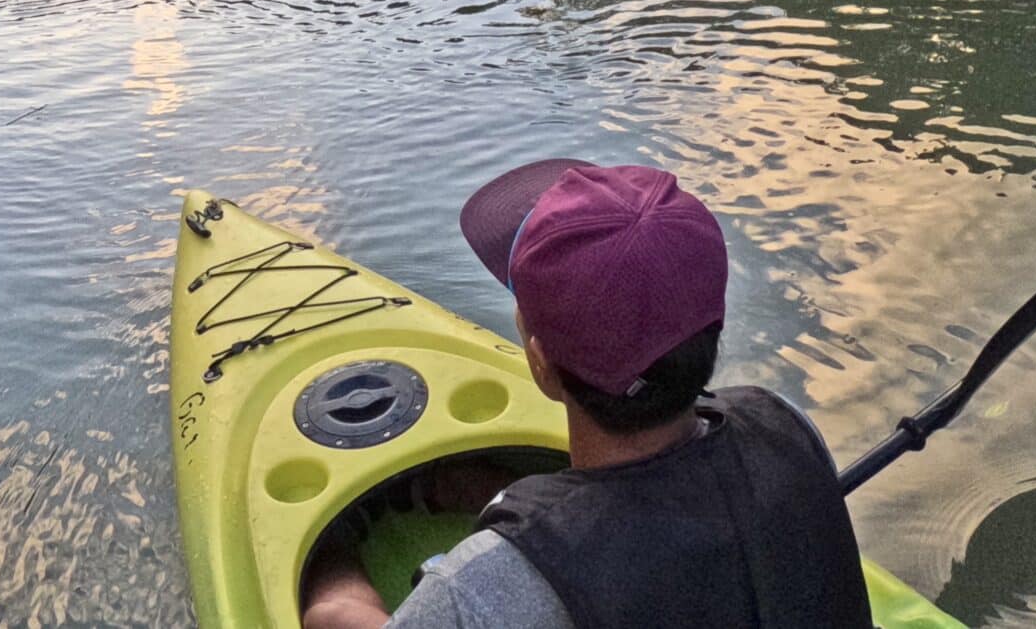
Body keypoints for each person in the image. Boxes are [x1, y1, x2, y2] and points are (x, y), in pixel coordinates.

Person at [300, 159, 875, 629]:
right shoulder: (789, 427)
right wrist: (485, 489)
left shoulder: (482, 589)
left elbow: (339, 620)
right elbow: (673, 519)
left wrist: (331, 549)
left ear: (541, 364)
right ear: (714, 324)